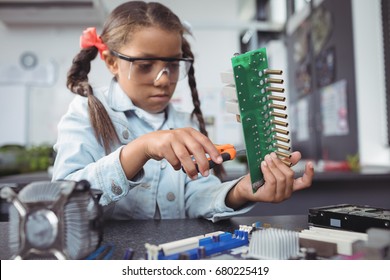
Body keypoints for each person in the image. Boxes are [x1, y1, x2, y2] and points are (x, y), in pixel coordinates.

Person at [52, 1, 314, 222]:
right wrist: (140, 148)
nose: (164, 79)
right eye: (144, 65)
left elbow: (197, 196)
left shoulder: (184, 123)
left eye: (173, 65)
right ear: (111, 62)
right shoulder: (85, 114)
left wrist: (240, 192)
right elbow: (64, 204)